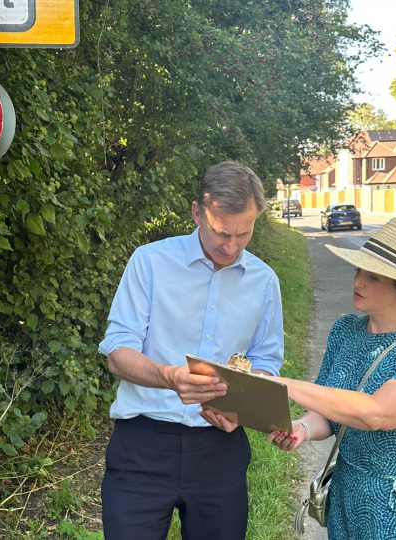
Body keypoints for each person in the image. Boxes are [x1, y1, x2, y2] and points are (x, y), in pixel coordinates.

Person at [98, 161, 284, 540]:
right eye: (220, 233)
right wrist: (169, 377)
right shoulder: (149, 262)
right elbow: (118, 350)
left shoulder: (264, 281)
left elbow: (266, 361)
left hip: (221, 450)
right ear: (197, 213)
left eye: (243, 234)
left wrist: (245, 405)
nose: (230, 247)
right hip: (141, 447)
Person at [268, 218, 396, 540]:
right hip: (350, 495)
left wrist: (286, 384)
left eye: (372, 277)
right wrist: (302, 428)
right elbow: (329, 409)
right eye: (358, 271)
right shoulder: (346, 331)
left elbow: (377, 413)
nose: (358, 282)